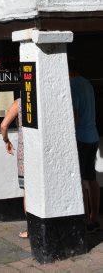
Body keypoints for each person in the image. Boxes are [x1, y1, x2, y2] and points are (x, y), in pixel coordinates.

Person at [69, 56, 100, 233]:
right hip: (93, 135)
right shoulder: (87, 83)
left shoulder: (72, 86)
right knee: (91, 178)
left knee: (80, 179)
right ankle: (94, 217)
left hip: (80, 137)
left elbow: (74, 116)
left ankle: (82, 219)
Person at [0, 97, 28, 238]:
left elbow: (4, 126)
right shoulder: (42, 98)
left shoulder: (19, 102)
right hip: (42, 152)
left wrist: (6, 141)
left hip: (25, 152)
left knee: (28, 192)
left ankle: (31, 228)